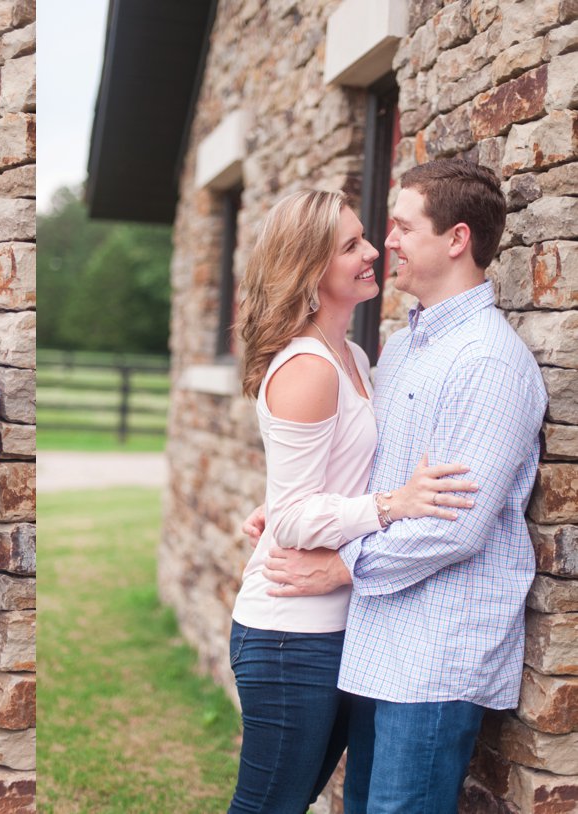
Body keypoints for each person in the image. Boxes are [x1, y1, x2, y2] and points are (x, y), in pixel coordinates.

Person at [260, 159, 547, 814]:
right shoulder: (402, 345)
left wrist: (341, 566)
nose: (385, 242)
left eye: (403, 227)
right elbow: (377, 467)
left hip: (435, 658)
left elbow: (456, 527)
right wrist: (292, 506)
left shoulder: (487, 361)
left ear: (457, 239)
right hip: (380, 644)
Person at [227, 189, 477, 814]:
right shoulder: (309, 367)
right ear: (310, 269)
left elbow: (316, 485)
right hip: (289, 636)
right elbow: (294, 519)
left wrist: (284, 504)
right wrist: (391, 505)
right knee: (268, 806)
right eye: (350, 246)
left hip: (340, 627)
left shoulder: (356, 357)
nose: (372, 251)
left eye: (365, 236)